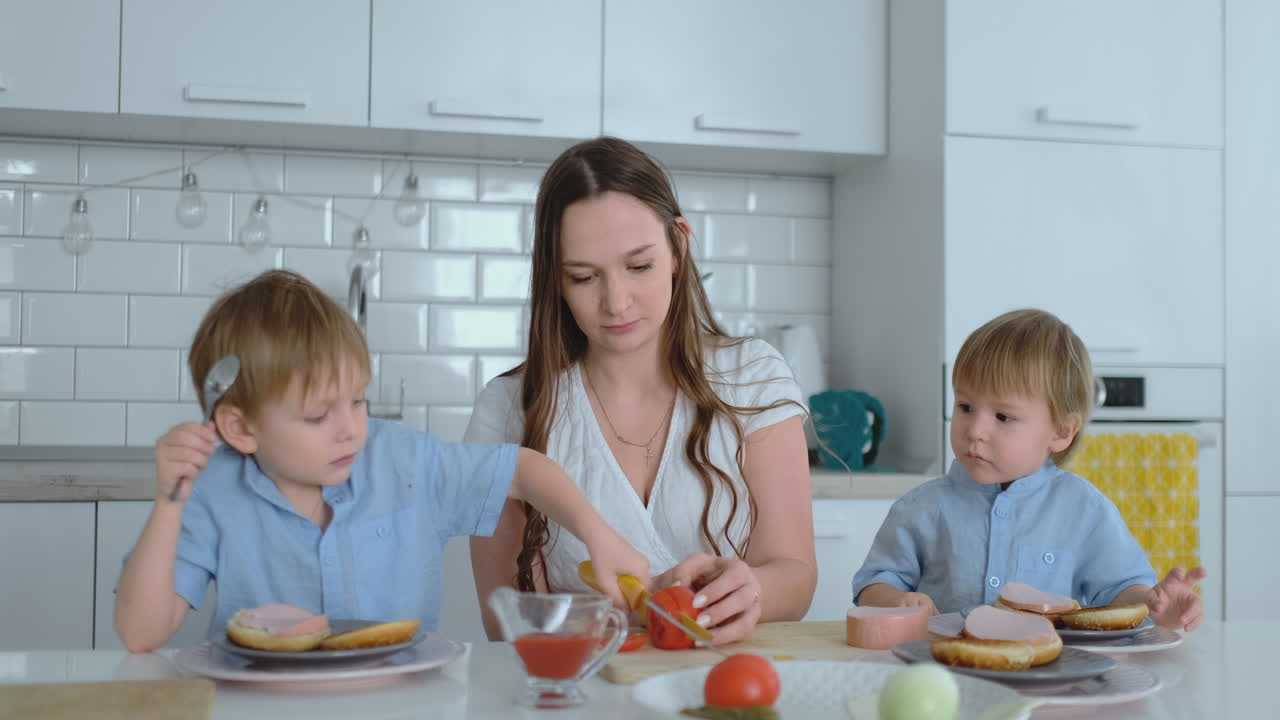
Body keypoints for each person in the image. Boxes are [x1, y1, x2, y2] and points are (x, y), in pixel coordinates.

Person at [114, 269, 649, 653]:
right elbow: (141, 634)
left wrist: (597, 533)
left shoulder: (404, 461)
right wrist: (168, 502)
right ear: (240, 428)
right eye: (318, 414)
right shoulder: (213, 492)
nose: (350, 427)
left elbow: (523, 470)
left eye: (357, 401)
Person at [465, 137, 817, 644]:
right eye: (584, 277)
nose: (616, 302)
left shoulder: (752, 375)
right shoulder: (507, 410)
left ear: (678, 246)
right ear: (556, 281)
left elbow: (796, 576)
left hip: (724, 686)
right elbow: (508, 628)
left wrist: (754, 588)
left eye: (639, 266)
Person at [852, 308, 1207, 631]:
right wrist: (896, 601)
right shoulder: (921, 507)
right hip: (945, 682)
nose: (975, 429)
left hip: (1048, 684)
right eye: (965, 406)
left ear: (1061, 431)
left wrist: (1154, 604)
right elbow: (873, 585)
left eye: (1003, 416)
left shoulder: (1083, 508)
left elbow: (1119, 591)